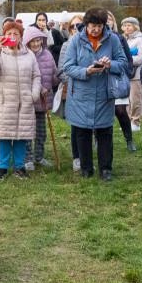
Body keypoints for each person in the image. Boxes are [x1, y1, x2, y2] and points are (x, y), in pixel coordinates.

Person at [61, 7, 128, 181]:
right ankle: (86, 168)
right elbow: (67, 67)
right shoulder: (76, 40)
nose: (96, 29)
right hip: (81, 95)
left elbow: (123, 63)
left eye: (99, 25)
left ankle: (106, 169)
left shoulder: (112, 40)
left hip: (104, 94)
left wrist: (109, 64)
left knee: (105, 132)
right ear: (86, 25)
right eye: (92, 26)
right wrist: (86, 71)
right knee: (82, 132)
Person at [0, 21, 41, 180]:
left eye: (15, 34)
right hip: (5, 102)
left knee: (21, 135)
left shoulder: (29, 54)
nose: (12, 37)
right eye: (9, 34)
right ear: (4, 36)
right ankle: (2, 167)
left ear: (21, 37)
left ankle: (18, 166)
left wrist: (34, 94)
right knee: (4, 136)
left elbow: (36, 75)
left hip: (25, 101)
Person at [22, 25, 59, 170]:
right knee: (28, 132)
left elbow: (54, 76)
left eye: (38, 40)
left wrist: (59, 78)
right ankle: (28, 158)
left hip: (44, 101)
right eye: (33, 41)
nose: (36, 44)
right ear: (27, 42)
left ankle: (39, 156)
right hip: (29, 100)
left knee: (41, 132)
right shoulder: (24, 55)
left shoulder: (48, 55)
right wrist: (37, 90)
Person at [57, 15, 86, 171]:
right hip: (74, 90)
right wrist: (78, 80)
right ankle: (77, 158)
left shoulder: (90, 44)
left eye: (79, 25)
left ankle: (86, 157)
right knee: (76, 125)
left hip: (89, 90)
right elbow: (61, 70)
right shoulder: (66, 46)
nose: (76, 28)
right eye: (73, 26)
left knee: (88, 126)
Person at [105, 12, 136, 153]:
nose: (107, 22)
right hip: (103, 79)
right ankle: (101, 141)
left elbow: (128, 58)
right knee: (103, 112)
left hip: (118, 78)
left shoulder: (119, 38)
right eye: (105, 20)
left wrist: (127, 73)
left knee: (121, 111)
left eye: (110, 19)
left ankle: (129, 139)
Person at [121, 17, 142, 132]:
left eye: (129, 25)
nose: (127, 27)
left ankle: (135, 122)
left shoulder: (140, 40)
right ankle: (128, 121)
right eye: (125, 25)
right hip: (125, 74)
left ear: (135, 26)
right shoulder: (123, 39)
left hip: (136, 75)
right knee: (126, 100)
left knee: (135, 99)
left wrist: (126, 58)